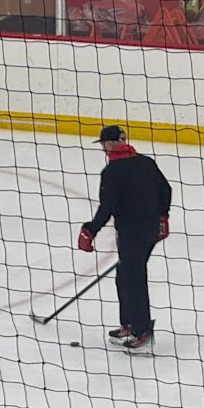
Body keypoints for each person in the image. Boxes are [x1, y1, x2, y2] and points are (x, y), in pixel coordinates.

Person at [77, 125, 172, 352]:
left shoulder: (112, 172)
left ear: (109, 144)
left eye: (103, 144)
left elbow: (107, 207)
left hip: (131, 231)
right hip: (149, 229)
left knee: (133, 277)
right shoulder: (146, 162)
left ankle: (142, 329)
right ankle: (129, 322)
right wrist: (163, 217)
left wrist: (90, 230)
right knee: (125, 274)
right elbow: (165, 189)